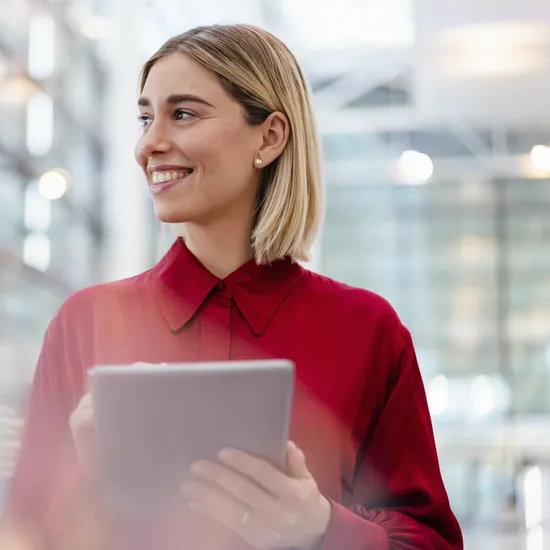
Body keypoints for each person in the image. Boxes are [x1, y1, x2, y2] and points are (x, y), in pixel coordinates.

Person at [1, 24, 463, 550]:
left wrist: (319, 526)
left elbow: (430, 542)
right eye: (146, 117)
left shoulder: (366, 330)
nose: (148, 144)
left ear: (269, 137)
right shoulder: (84, 323)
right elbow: (25, 532)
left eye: (184, 113)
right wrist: (83, 483)